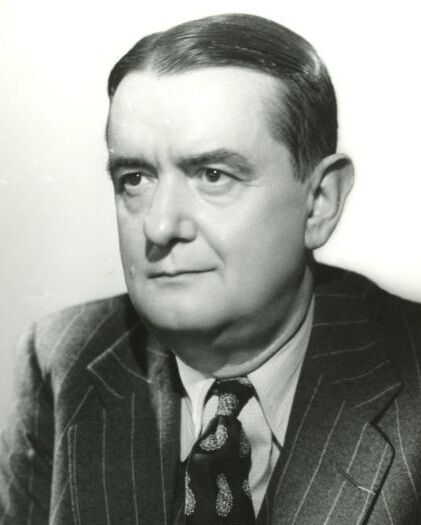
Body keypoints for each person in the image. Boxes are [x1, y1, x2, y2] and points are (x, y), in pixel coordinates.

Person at [0, 12, 420, 525]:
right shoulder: (60, 358)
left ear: (320, 204)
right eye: (135, 178)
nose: (159, 226)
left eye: (213, 175)